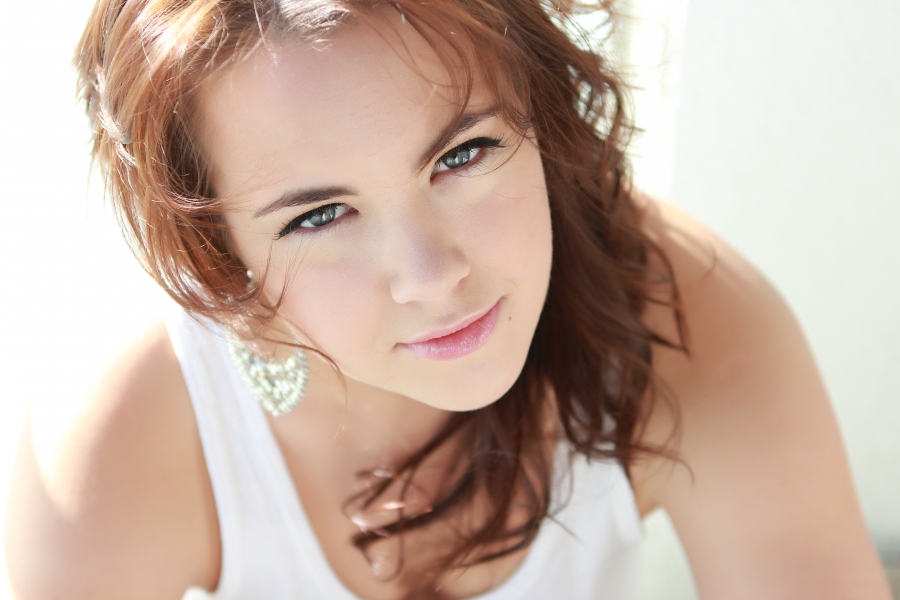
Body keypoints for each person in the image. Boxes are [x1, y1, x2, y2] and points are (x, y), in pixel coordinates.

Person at [4, 0, 892, 598]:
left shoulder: (682, 319)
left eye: (462, 154)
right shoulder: (129, 435)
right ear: (222, 255)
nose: (429, 275)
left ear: (543, 115)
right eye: (319, 216)